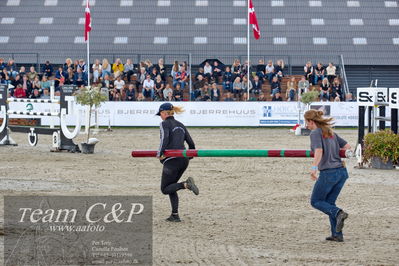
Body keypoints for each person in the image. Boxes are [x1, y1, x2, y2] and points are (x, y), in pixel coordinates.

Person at [304, 109, 351, 242]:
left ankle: (338, 213)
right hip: (341, 172)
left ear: (311, 121)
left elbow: (319, 150)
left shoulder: (315, 133)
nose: (306, 125)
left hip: (329, 172)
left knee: (316, 201)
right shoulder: (330, 132)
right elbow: (348, 147)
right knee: (329, 203)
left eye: (306, 122)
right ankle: (337, 234)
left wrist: (314, 168)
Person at [156, 103, 199, 222]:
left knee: (165, 189)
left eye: (160, 114)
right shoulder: (181, 125)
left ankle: (185, 184)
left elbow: (164, 138)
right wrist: (189, 157)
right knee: (171, 186)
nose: (160, 117)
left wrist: (159, 154)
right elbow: (191, 144)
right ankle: (175, 215)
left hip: (172, 160)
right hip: (183, 160)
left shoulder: (164, 124)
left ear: (164, 113)